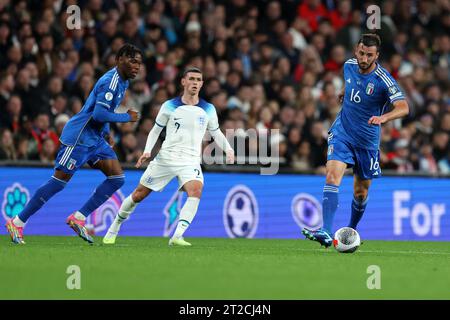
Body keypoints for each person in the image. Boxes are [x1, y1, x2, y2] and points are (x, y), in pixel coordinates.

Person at [5, 44, 142, 245]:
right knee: (58, 182)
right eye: (132, 61)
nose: (137, 67)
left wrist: (106, 133)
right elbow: (98, 114)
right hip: (79, 137)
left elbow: (96, 110)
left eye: (139, 63)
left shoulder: (123, 82)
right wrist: (126, 117)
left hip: (95, 138)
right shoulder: (110, 82)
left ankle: (78, 217)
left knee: (117, 178)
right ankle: (17, 221)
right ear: (119, 59)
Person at [103, 67, 235, 246]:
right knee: (139, 195)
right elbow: (156, 130)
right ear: (183, 82)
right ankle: (115, 226)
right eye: (192, 79)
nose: (195, 83)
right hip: (167, 158)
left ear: (202, 83)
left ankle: (177, 235)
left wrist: (228, 149)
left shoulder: (208, 109)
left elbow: (216, 132)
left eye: (198, 80)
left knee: (196, 191)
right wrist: (148, 151)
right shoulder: (170, 106)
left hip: (190, 160)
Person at [302, 34, 409, 247]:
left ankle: (350, 230)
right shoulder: (349, 66)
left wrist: (384, 117)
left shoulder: (383, 79)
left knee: (360, 192)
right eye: (361, 53)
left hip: (367, 142)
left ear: (376, 56)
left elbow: (404, 107)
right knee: (332, 176)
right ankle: (326, 230)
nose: (364, 58)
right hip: (342, 133)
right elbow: (351, 83)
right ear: (355, 51)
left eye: (369, 55)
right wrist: (344, 91)